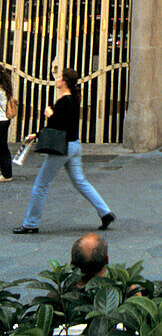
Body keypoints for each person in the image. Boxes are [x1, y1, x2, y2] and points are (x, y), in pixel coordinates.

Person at [13, 67, 115, 234]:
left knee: (40, 185)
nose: (57, 79)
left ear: (65, 81)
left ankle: (31, 223)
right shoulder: (73, 99)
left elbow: (57, 126)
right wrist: (37, 133)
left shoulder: (63, 102)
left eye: (59, 77)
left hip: (62, 148)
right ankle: (105, 213)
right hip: (74, 145)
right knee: (80, 182)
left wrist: (49, 114)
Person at [0, 65, 16, 182]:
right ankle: (6, 173)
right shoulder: (6, 87)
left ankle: (7, 174)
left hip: (0, 120)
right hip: (5, 120)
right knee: (3, 147)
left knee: (2, 148)